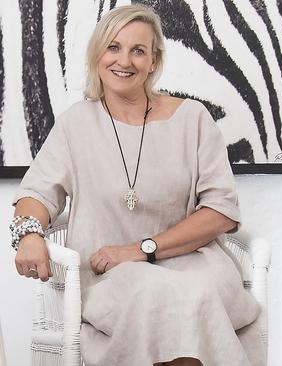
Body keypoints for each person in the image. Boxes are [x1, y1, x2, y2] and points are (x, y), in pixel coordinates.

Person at [11, 5, 263, 366]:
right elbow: (36, 194)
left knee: (194, 295)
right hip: (109, 274)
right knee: (152, 293)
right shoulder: (76, 125)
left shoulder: (193, 119)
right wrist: (30, 235)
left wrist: (142, 248)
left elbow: (221, 211)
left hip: (194, 263)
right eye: (113, 47)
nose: (124, 60)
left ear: (153, 60)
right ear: (97, 53)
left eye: (138, 50)